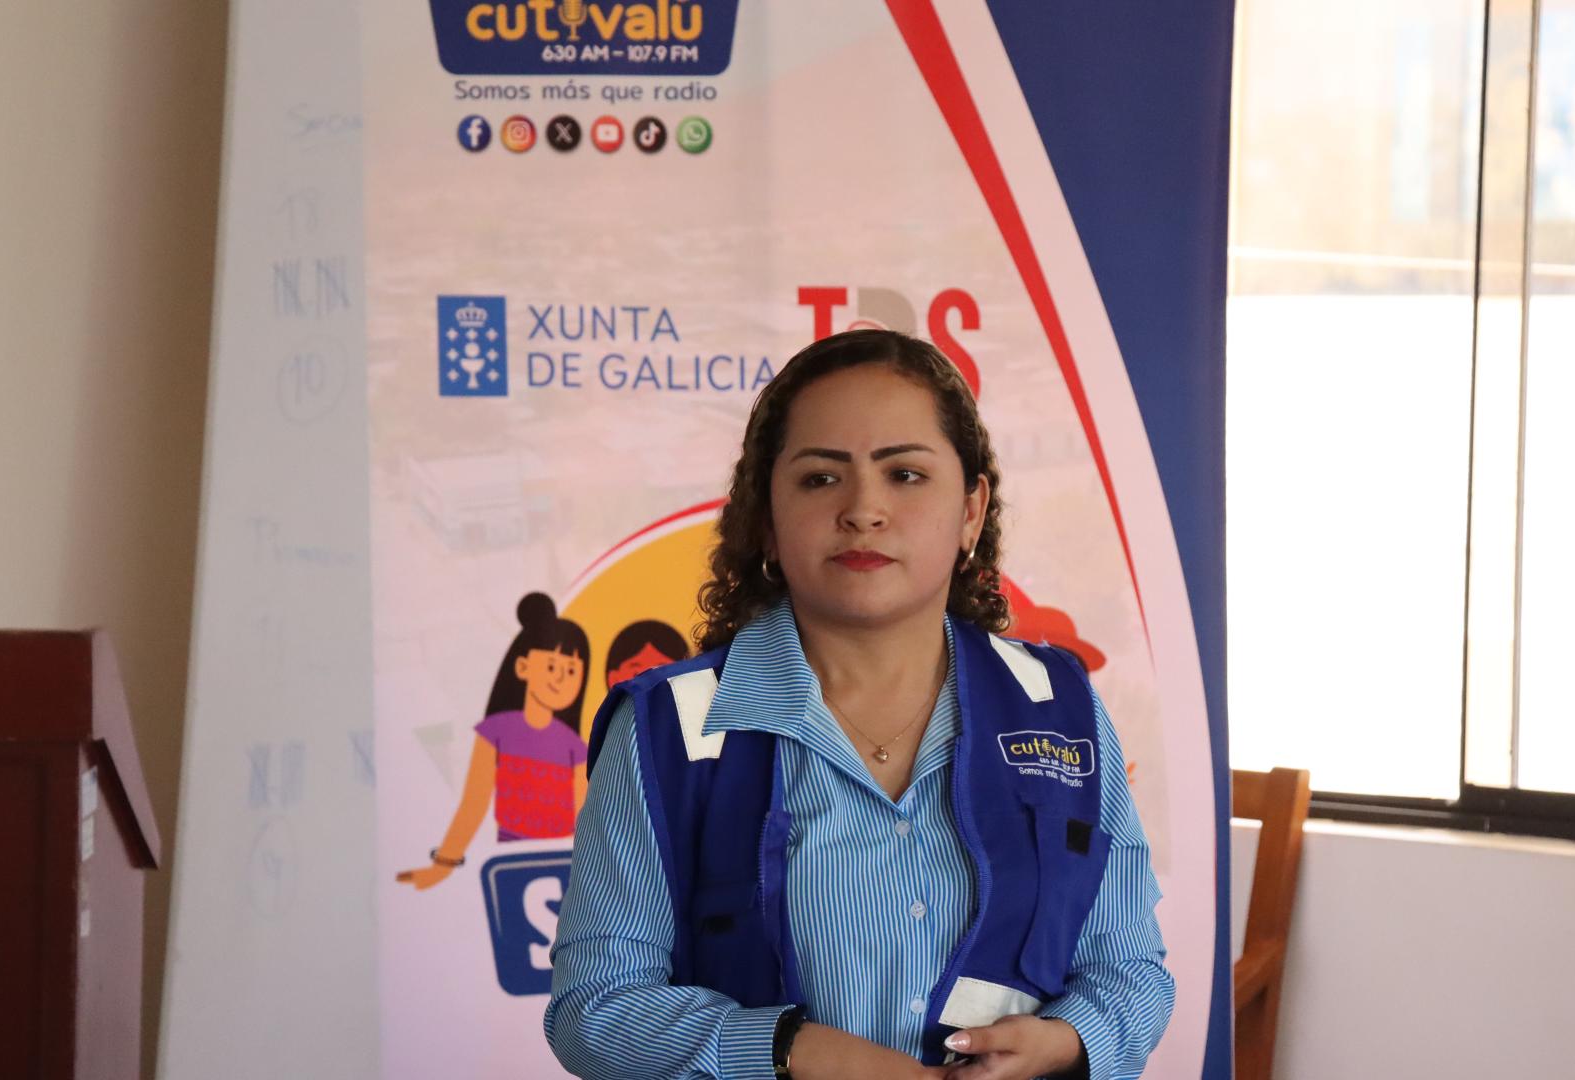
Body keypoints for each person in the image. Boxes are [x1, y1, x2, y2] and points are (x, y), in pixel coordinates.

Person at [544, 330, 1173, 1079]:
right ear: (766, 519)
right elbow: (595, 1007)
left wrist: (1067, 1041)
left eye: (905, 474)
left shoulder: (1058, 709)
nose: (864, 510)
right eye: (820, 479)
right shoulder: (668, 730)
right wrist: (788, 1052)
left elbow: (1130, 971)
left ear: (970, 512)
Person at [397, 592, 591, 890]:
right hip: (510, 861)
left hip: (566, 865)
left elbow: (584, 818)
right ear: (523, 667)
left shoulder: (574, 747)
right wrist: (443, 864)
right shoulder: (496, 732)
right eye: (552, 666)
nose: (560, 678)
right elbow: (474, 803)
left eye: (572, 671)